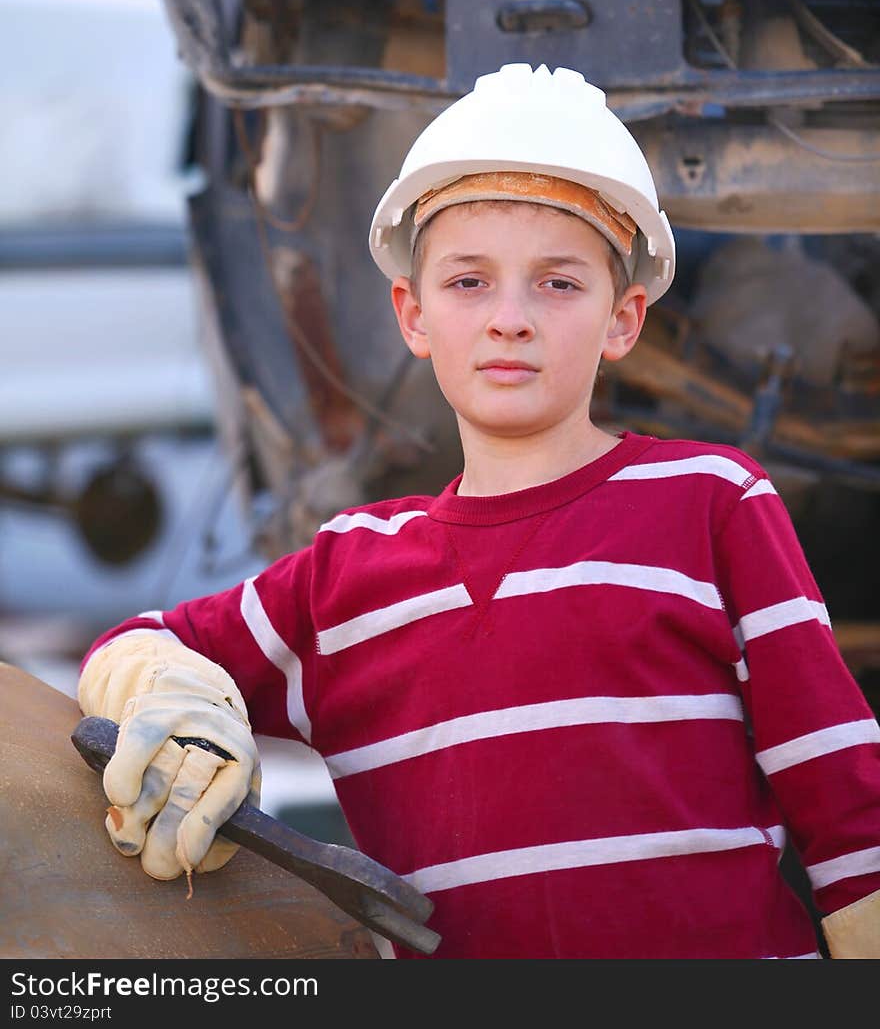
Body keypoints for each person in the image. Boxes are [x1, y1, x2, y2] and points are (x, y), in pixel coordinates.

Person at [78, 63, 880, 959]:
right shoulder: (342, 579)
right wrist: (184, 706)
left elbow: (846, 798)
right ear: (412, 316)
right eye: (468, 283)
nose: (510, 318)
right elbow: (140, 644)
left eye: (558, 284)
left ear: (624, 318)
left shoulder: (711, 503)